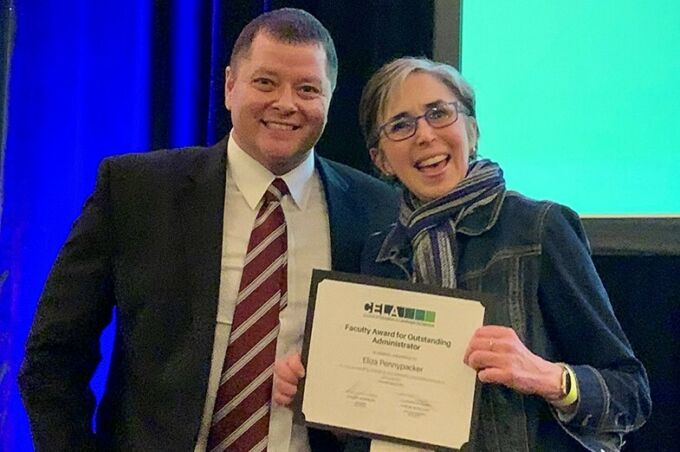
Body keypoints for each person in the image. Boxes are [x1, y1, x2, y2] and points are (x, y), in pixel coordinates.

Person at [18, 8, 399, 452]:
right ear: (229, 86)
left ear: (329, 100)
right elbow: (54, 355)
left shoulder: (376, 209)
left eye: (308, 89)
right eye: (265, 82)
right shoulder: (136, 192)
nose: (286, 103)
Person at [273, 57, 651, 451]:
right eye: (401, 125)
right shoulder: (382, 253)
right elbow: (373, 426)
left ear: (471, 130)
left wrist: (546, 376)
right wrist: (320, 393)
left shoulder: (538, 228)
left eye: (439, 113)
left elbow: (630, 392)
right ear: (381, 159)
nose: (424, 135)